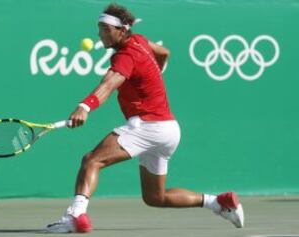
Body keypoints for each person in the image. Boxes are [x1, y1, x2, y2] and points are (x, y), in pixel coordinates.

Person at [46, 3, 244, 233]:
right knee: (155, 197)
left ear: (122, 30)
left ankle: (75, 216)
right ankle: (218, 202)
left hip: (147, 125)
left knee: (91, 161)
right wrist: (151, 74)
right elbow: (164, 52)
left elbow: (108, 84)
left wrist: (85, 107)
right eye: (99, 28)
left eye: (105, 29)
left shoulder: (124, 57)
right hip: (169, 130)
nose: (100, 34)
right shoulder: (139, 40)